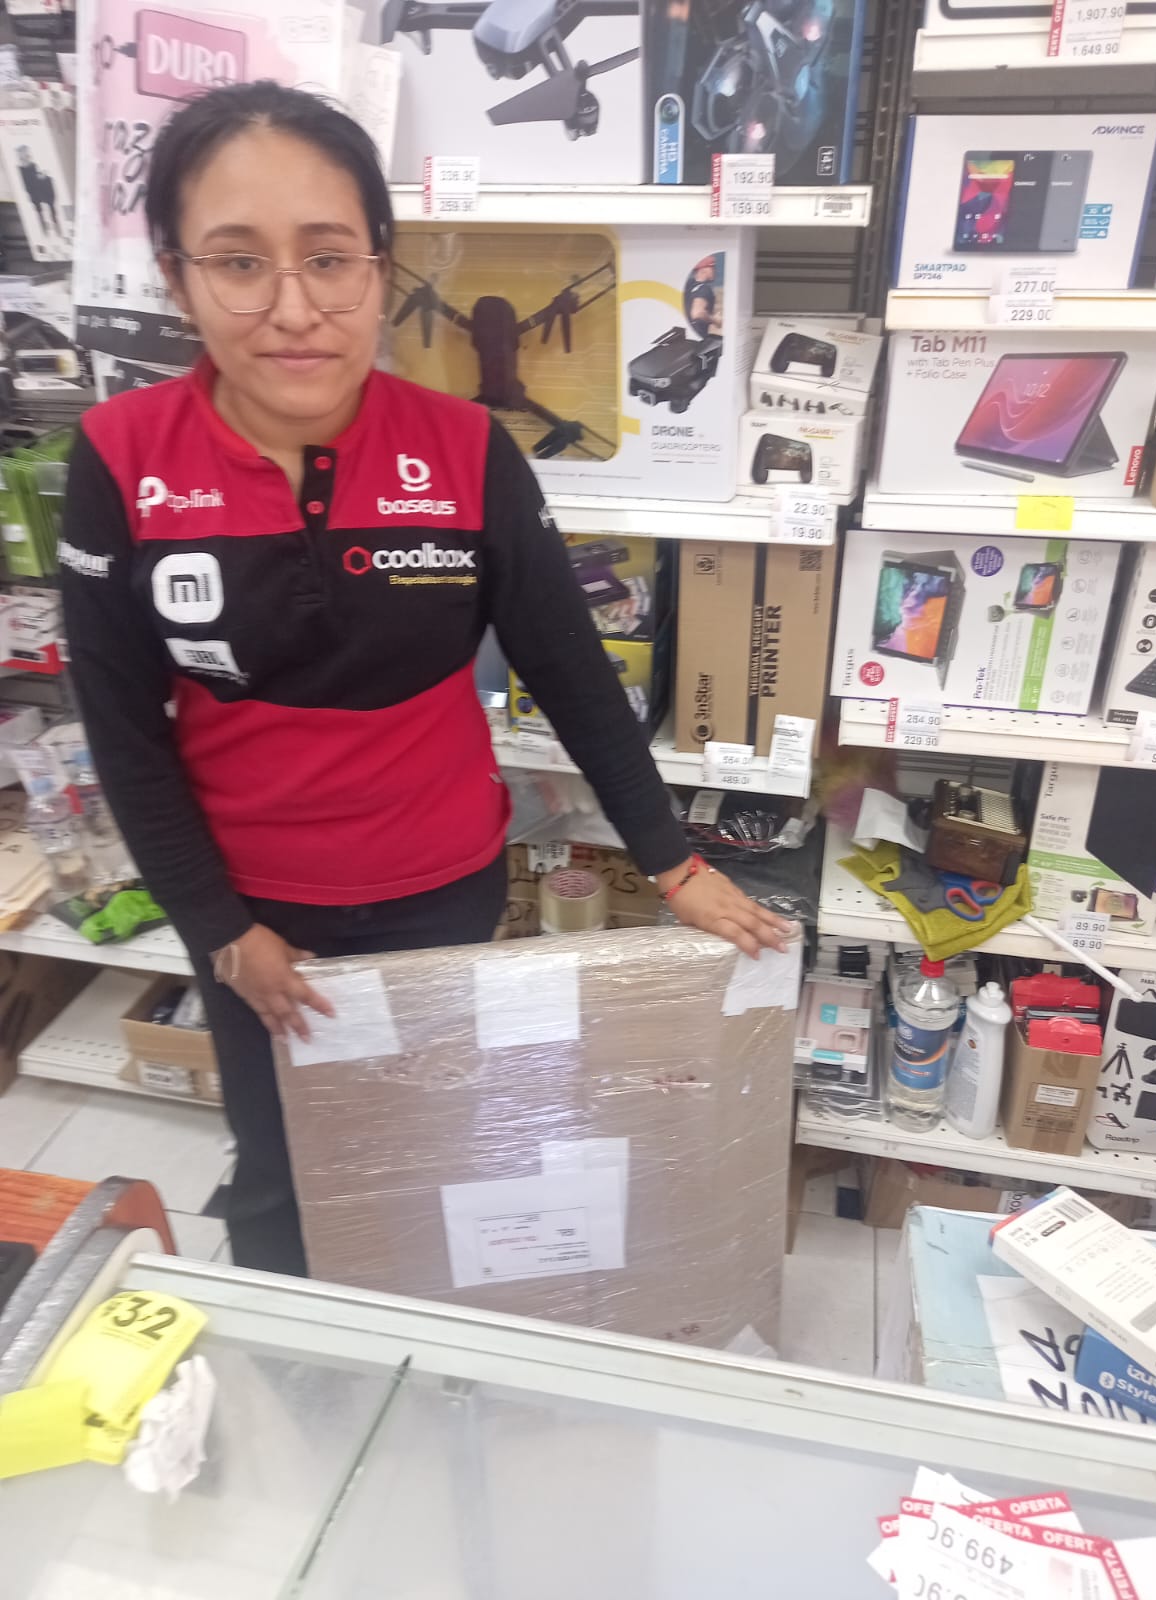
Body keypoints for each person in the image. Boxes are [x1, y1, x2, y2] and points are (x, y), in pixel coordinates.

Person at [60, 81, 790, 1277]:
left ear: (381, 268)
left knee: (435, 1156)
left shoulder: (464, 449)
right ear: (176, 277)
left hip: (439, 893)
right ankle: (307, 1365)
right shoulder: (119, 454)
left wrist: (676, 862)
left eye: (328, 259)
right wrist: (220, 932)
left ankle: (433, 1351)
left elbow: (571, 671)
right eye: (238, 263)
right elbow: (123, 729)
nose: (294, 309)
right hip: (251, 911)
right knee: (281, 1174)